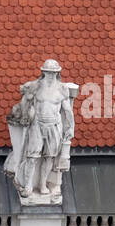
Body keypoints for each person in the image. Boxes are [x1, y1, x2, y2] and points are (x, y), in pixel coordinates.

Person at [8, 59, 75, 200]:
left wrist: (70, 128)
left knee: (49, 157)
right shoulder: (35, 86)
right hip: (37, 125)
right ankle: (27, 186)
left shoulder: (62, 89)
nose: (51, 75)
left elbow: (68, 111)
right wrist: (24, 115)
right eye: (48, 72)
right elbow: (25, 101)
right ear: (43, 72)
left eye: (53, 73)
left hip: (54, 126)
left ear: (57, 73)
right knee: (32, 157)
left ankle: (43, 184)